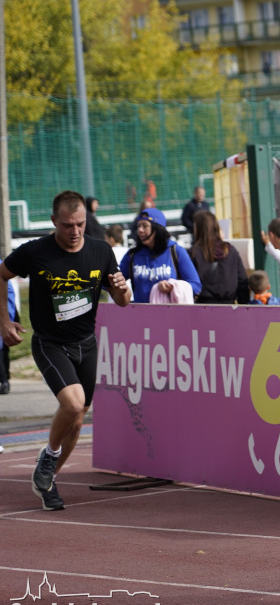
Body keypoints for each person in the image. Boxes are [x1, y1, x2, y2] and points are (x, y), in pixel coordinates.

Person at [0, 191, 131, 510]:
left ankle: (46, 480)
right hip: (49, 342)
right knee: (73, 405)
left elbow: (121, 301)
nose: (75, 232)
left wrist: (123, 289)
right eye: (68, 225)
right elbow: (2, 274)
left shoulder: (101, 251)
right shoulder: (35, 252)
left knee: (77, 416)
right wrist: (4, 320)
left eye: (81, 224)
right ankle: (50, 457)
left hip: (86, 342)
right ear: (54, 222)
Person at [119, 207, 201, 303]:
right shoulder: (132, 255)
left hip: (170, 315)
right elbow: (112, 283)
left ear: (157, 228)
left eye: (145, 226)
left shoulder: (176, 251)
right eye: (139, 226)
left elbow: (196, 286)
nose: (140, 230)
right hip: (140, 315)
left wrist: (172, 287)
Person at [189, 211, 249, 304]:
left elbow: (188, 283)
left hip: (203, 307)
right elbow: (242, 280)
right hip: (229, 306)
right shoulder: (230, 250)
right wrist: (243, 306)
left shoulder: (193, 253)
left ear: (199, 228)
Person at [0, 267, 17, 394]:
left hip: (4, 315)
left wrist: (8, 318)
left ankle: (4, 381)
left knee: (2, 348)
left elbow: (9, 292)